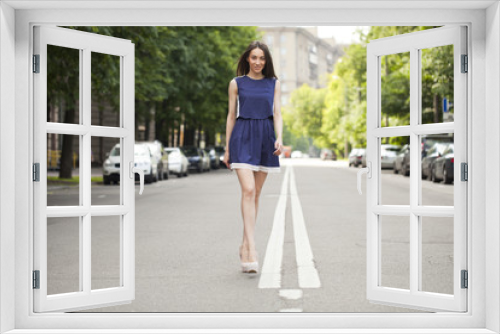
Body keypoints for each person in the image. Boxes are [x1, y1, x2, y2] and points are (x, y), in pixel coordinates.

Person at [222, 41, 283, 274]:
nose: (258, 62)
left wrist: (279, 137)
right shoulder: (236, 83)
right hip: (243, 137)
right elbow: (230, 116)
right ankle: (253, 247)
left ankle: (244, 244)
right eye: (254, 57)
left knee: (256, 194)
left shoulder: (273, 83)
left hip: (265, 137)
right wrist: (227, 148)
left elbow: (277, 113)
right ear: (247, 58)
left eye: (262, 58)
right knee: (248, 190)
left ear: (266, 61)